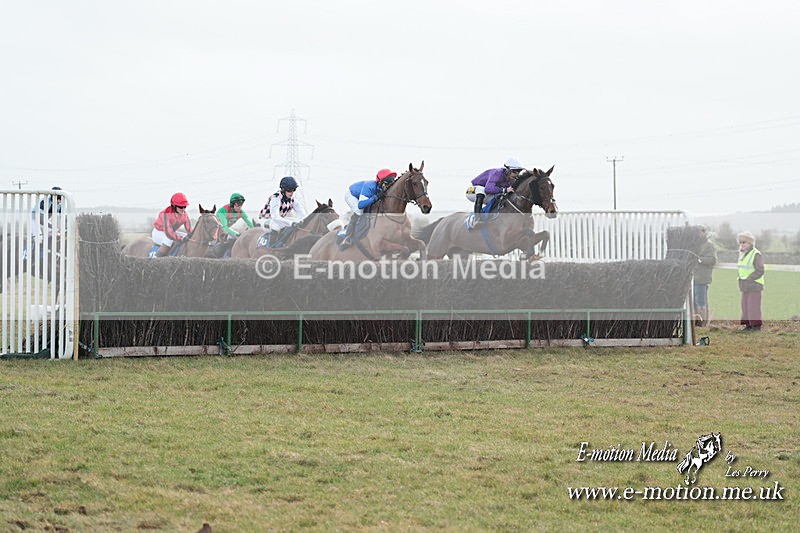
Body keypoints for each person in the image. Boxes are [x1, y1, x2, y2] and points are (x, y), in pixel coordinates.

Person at [339, 168, 397, 250]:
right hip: (352, 195)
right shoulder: (369, 186)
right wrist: (376, 197)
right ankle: (347, 236)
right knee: (359, 211)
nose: (388, 186)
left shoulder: (380, 187)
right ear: (380, 182)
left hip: (365, 197)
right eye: (387, 183)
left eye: (391, 184)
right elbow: (361, 205)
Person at [467, 157, 525, 227]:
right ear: (507, 170)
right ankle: (476, 219)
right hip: (472, 191)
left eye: (518, 172)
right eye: (514, 172)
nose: (516, 174)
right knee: (481, 191)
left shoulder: (512, 180)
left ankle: (490, 218)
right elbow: (488, 189)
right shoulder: (497, 173)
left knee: (500, 198)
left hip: (487, 194)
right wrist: (504, 190)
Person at [211, 193, 255, 257]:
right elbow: (224, 228)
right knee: (229, 241)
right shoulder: (223, 211)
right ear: (232, 204)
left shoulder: (241, 212)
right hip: (217, 232)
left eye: (241, 204)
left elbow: (250, 224)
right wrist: (237, 234)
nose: (239, 207)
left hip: (227, 231)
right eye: (237, 204)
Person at [736, 231, 765, 331]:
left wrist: (749, 279)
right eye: (740, 242)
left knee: (753, 306)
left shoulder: (756, 254)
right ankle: (748, 325)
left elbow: (760, 270)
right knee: (745, 305)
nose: (742, 244)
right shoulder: (742, 254)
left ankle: (756, 326)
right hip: (745, 285)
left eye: (744, 242)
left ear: (750, 243)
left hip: (754, 284)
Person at [152, 192, 193, 257]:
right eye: (180, 207)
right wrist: (179, 238)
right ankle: (157, 260)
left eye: (184, 207)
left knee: (186, 237)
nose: (183, 209)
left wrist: (192, 236)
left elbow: (189, 229)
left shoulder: (185, 215)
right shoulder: (166, 213)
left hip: (172, 232)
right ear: (174, 205)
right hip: (159, 232)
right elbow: (169, 233)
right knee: (169, 240)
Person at [693, 226, 717, 327]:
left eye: (700, 232)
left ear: (704, 233)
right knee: (694, 300)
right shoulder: (694, 245)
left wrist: (699, 259)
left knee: (700, 301)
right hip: (693, 278)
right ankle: (695, 321)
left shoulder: (709, 246)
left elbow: (712, 260)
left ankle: (701, 323)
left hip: (702, 279)